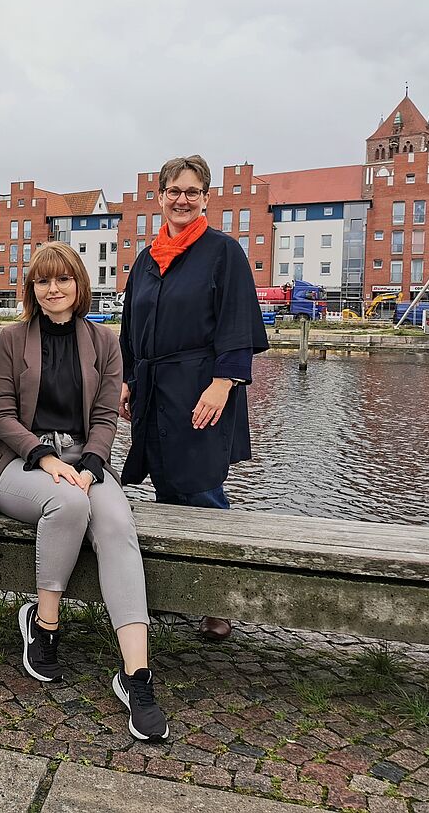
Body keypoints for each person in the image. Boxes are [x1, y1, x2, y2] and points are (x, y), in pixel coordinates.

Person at [0, 242, 168, 742]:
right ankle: (45, 625)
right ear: (32, 289)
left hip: (84, 458)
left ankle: (136, 676)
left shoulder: (104, 341)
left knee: (118, 524)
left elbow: (106, 417)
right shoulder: (11, 340)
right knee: (68, 502)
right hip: (17, 461)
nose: (53, 289)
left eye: (63, 279)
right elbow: (1, 415)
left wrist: (89, 462)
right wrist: (45, 458)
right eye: (43, 281)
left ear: (78, 285)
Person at [118, 155, 269, 642]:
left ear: (205, 197)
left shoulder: (223, 252)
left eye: (192, 191)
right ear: (159, 196)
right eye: (173, 191)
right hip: (154, 389)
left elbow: (237, 322)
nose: (182, 199)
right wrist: (126, 379)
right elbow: (129, 326)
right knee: (164, 488)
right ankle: (176, 593)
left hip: (203, 388)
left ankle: (217, 599)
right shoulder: (146, 259)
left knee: (202, 489)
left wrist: (224, 383)